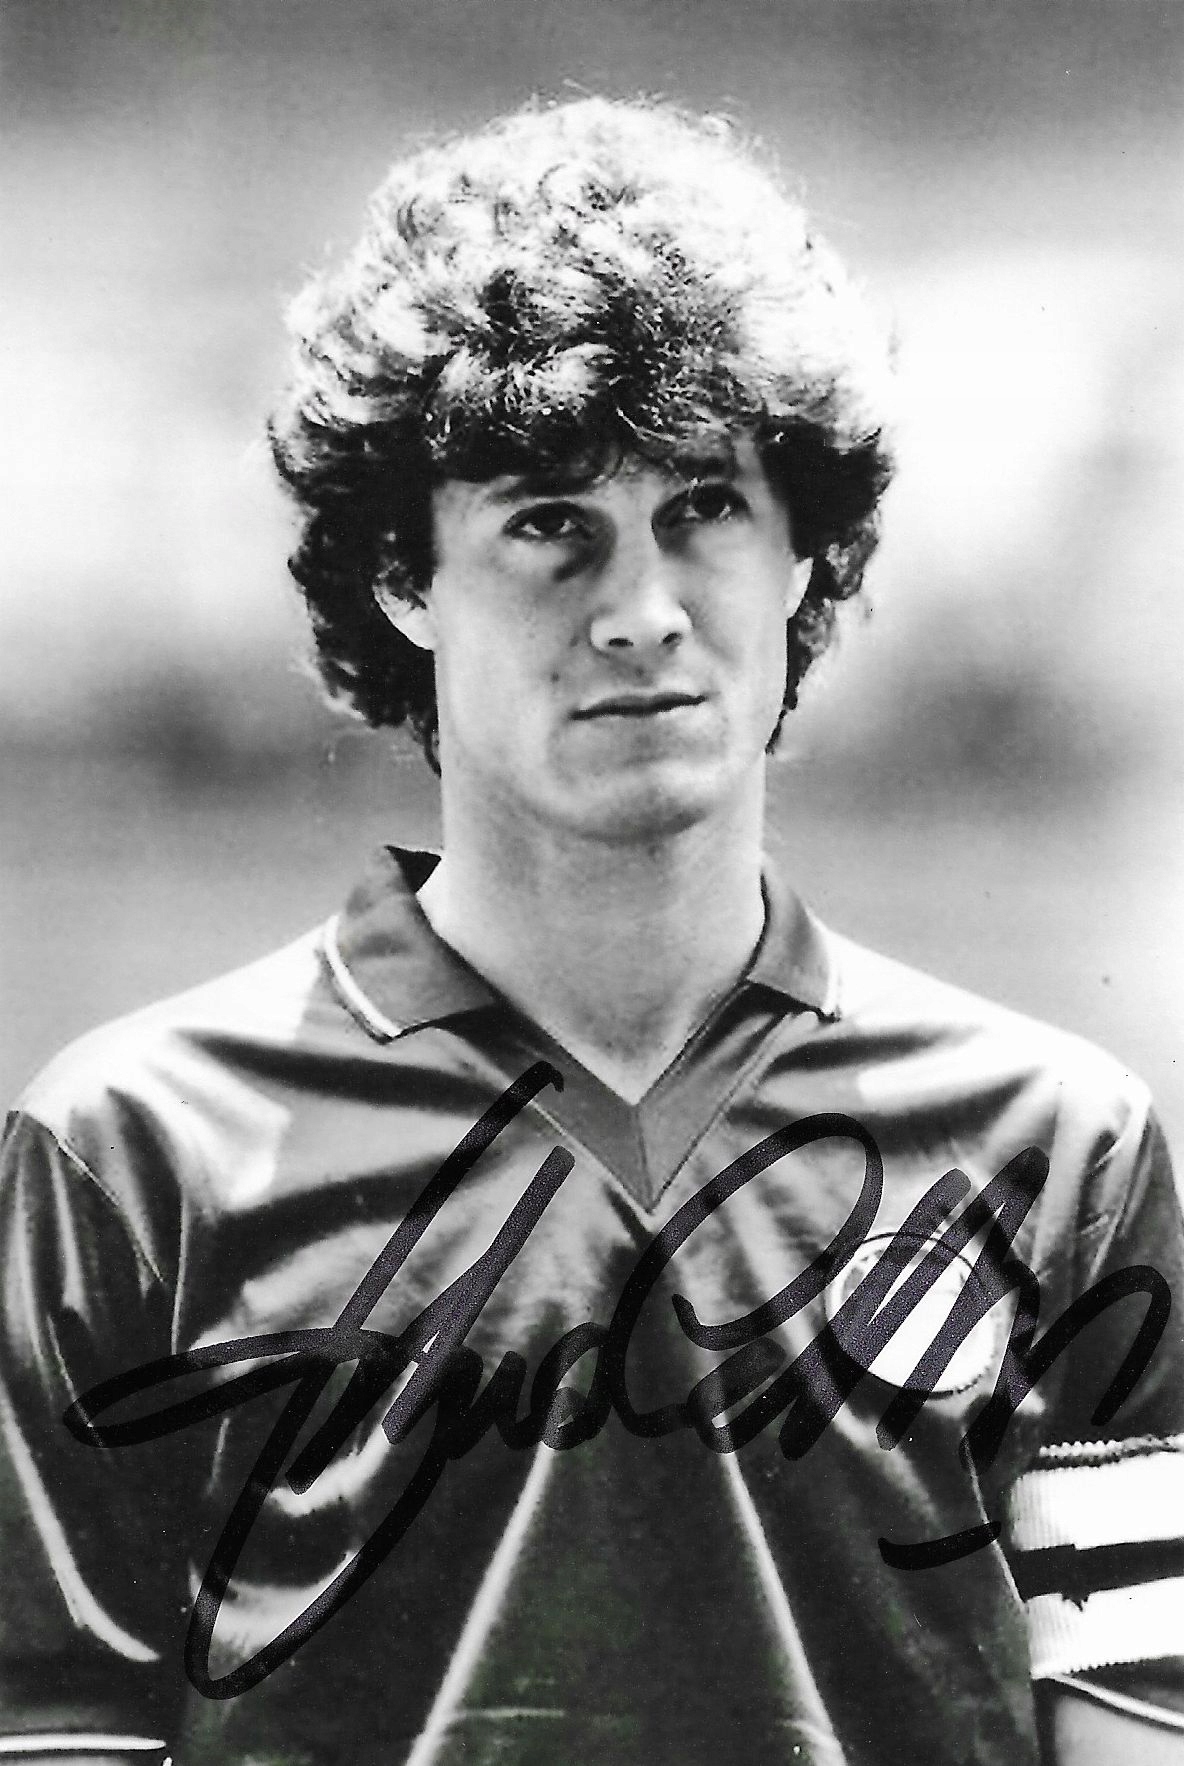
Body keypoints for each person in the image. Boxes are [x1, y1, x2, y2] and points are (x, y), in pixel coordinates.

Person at [0, 96, 1181, 1766]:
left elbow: (1134, 1730)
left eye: (703, 507)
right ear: (403, 574)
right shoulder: (134, 1159)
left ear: (807, 556)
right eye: (549, 522)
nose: (641, 610)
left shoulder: (1061, 1152)